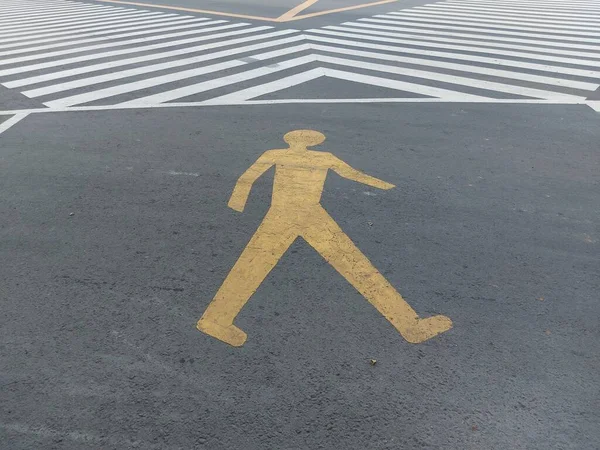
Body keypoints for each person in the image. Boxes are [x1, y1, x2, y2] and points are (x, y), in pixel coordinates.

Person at [198, 130, 452, 346]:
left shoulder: (293, 155)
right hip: (286, 215)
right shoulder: (298, 156)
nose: (301, 142)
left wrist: (386, 187)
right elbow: (353, 175)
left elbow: (247, 179)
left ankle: (409, 325)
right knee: (355, 266)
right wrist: (237, 204)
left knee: (352, 265)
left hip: (307, 214)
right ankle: (410, 325)